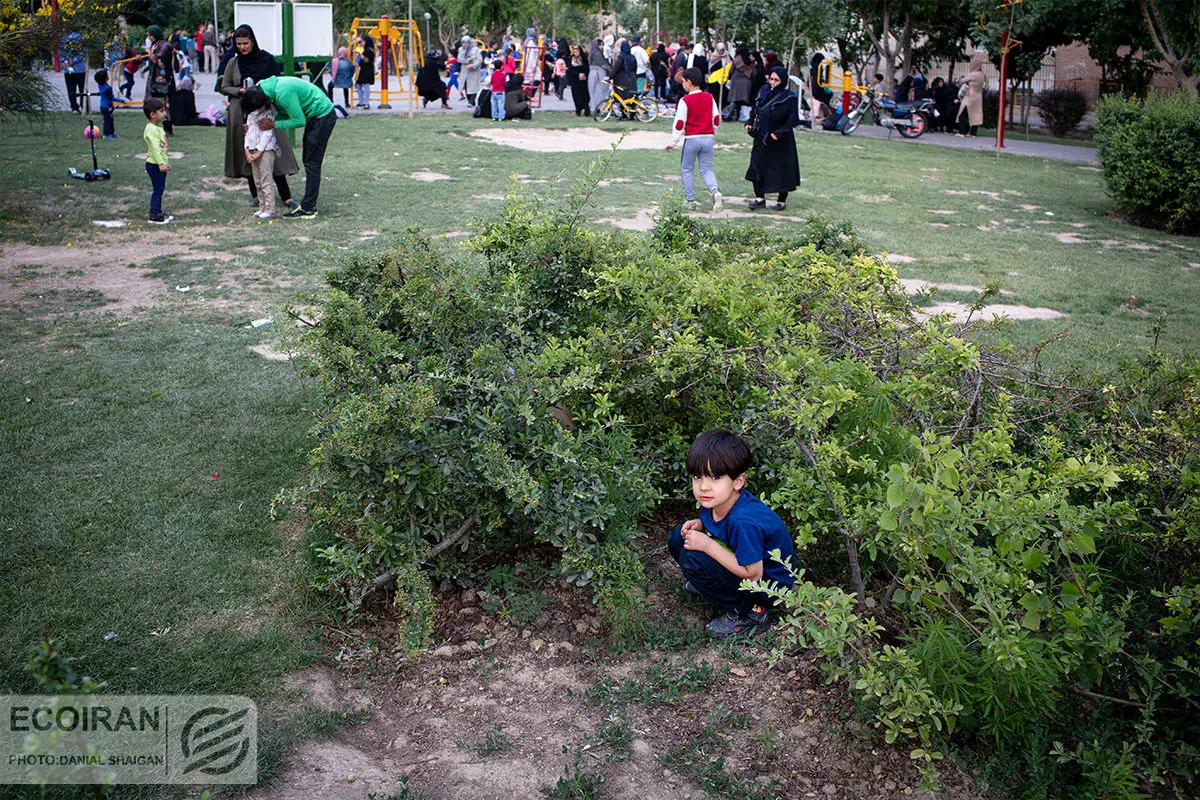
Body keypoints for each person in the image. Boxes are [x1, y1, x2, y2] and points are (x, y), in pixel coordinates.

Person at [668, 429, 794, 639]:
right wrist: (701, 524)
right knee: (678, 539)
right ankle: (711, 586)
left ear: (738, 481)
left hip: (767, 586)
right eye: (698, 477)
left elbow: (753, 574)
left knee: (693, 557)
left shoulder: (743, 521)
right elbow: (722, 528)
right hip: (745, 565)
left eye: (715, 477)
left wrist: (707, 545)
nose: (704, 487)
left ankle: (751, 612)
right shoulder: (717, 500)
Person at [220, 25, 299, 212]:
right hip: (243, 112)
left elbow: (276, 84)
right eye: (238, 44)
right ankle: (257, 195)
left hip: (266, 111)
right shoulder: (234, 62)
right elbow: (224, 86)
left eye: (245, 43)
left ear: (253, 41)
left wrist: (260, 92)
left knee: (272, 153)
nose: (242, 47)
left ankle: (286, 196)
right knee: (250, 152)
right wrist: (240, 90)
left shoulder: (267, 60)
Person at [243, 76, 336, 217]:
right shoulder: (264, 87)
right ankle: (308, 204)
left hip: (322, 114)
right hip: (313, 115)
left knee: (312, 163)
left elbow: (299, 120)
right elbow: (282, 112)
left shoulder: (283, 93)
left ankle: (308, 208)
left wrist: (274, 124)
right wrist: (255, 126)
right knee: (309, 160)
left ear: (262, 103)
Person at [666, 67, 723, 214]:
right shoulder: (709, 97)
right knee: (706, 168)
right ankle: (715, 191)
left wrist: (674, 141)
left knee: (687, 169)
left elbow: (679, 123)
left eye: (684, 81)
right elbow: (716, 119)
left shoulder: (685, 100)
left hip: (692, 139)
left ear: (689, 82)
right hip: (708, 139)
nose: (683, 84)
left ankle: (690, 200)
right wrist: (712, 132)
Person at [745, 66, 801, 211]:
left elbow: (792, 120)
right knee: (756, 165)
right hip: (761, 137)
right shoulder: (763, 91)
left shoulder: (789, 97)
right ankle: (760, 198)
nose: (773, 82)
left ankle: (781, 201)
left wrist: (779, 133)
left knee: (782, 169)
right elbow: (756, 108)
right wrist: (749, 123)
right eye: (771, 79)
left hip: (780, 141)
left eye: (777, 80)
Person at [244, 96, 280, 219]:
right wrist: (247, 151)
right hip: (253, 150)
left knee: (266, 181)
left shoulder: (268, 115)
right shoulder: (250, 116)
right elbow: (247, 135)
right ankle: (262, 206)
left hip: (266, 151)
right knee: (257, 182)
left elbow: (267, 135)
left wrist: (258, 152)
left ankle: (270, 209)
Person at [142, 97, 173, 225]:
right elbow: (155, 149)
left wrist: (164, 163)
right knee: (158, 190)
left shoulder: (157, 128)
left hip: (159, 164)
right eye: (161, 111)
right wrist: (160, 164)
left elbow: (161, 148)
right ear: (152, 114)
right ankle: (154, 215)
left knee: (160, 189)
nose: (164, 113)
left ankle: (158, 211)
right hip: (154, 165)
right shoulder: (150, 130)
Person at [145, 26, 175, 134]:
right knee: (152, 102)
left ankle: (167, 128)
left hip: (162, 79)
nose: (149, 37)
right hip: (153, 78)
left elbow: (158, 59)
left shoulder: (165, 45)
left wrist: (151, 55)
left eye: (151, 35)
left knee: (163, 104)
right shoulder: (155, 45)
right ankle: (154, 126)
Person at [956, 55, 986, 137]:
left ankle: (961, 132)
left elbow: (961, 81)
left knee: (963, 113)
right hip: (978, 96)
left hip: (969, 96)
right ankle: (973, 133)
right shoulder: (982, 75)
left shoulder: (972, 74)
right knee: (976, 114)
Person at [60, 32, 87, 113]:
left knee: (75, 89)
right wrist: (67, 61)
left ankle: (78, 107)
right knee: (80, 89)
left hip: (75, 69)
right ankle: (80, 106)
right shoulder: (65, 39)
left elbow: (82, 52)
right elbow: (82, 53)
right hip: (75, 69)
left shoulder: (64, 38)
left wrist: (67, 61)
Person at [608, 39, 638, 108]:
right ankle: (632, 112)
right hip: (631, 78)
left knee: (621, 97)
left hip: (621, 79)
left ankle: (623, 113)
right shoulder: (632, 57)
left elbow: (616, 68)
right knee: (631, 96)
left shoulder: (621, 57)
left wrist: (610, 76)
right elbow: (635, 67)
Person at [587, 38, 609, 116]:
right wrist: (610, 69)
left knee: (595, 92)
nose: (601, 47)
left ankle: (595, 108)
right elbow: (603, 64)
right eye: (600, 45)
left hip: (595, 73)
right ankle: (597, 108)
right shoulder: (597, 54)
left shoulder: (594, 53)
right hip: (598, 74)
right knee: (598, 91)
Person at [566, 43, 590, 116]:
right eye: (574, 52)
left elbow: (587, 67)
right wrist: (577, 74)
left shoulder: (584, 58)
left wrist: (583, 74)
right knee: (576, 95)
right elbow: (570, 69)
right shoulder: (571, 59)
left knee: (585, 95)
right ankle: (578, 110)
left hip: (583, 80)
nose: (576, 53)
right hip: (575, 80)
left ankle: (586, 109)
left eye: (577, 52)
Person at [459, 36, 482, 105]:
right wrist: (467, 60)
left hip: (474, 71)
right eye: (462, 43)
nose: (464, 45)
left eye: (465, 43)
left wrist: (473, 65)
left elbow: (479, 59)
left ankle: (471, 101)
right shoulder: (461, 49)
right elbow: (459, 59)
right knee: (466, 86)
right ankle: (470, 100)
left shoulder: (475, 49)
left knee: (473, 86)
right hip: (465, 70)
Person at [94, 69, 117, 138]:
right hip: (107, 107)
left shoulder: (100, 84)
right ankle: (106, 134)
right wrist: (121, 101)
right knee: (108, 121)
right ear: (106, 79)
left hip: (103, 106)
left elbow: (101, 75)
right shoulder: (107, 88)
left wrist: (105, 69)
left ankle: (112, 133)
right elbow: (111, 98)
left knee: (110, 120)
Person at [355, 33, 375, 109]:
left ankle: (366, 103)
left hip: (367, 71)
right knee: (358, 85)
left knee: (366, 86)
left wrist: (361, 56)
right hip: (362, 70)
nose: (361, 43)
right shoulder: (365, 49)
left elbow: (367, 60)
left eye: (362, 41)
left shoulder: (369, 50)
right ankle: (361, 102)